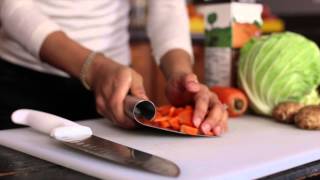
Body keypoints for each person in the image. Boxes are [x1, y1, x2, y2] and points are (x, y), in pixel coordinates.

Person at [0, 0, 228, 135]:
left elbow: (168, 7)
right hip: (23, 82)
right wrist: (95, 69)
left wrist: (181, 73)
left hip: (115, 88)